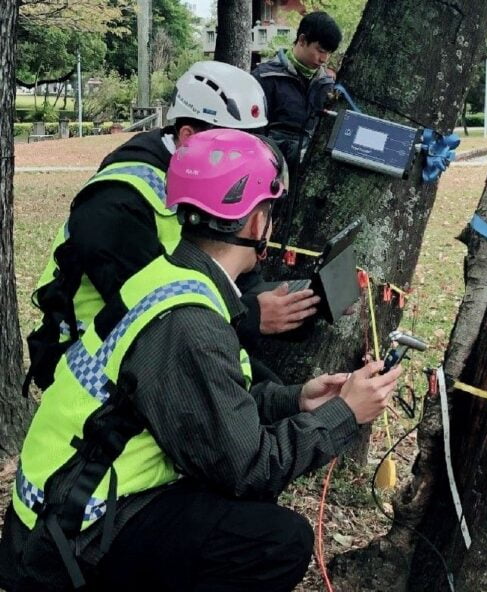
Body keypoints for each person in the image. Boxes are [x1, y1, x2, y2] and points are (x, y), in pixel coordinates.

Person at [0, 129, 403, 592]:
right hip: (69, 538)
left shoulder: (171, 277)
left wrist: (297, 401)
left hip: (55, 512)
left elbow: (213, 402)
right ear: (256, 224)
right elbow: (248, 469)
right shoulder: (188, 320)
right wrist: (343, 415)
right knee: (277, 543)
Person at [24, 60, 318, 396]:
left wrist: (300, 303)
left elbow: (231, 277)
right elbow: (151, 315)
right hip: (91, 360)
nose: (244, 157)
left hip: (161, 339)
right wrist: (250, 317)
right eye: (233, 143)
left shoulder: (205, 178)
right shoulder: (117, 203)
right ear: (187, 136)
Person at [253, 11, 342, 162]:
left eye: (329, 53)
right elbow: (252, 137)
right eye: (320, 51)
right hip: (271, 171)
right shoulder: (265, 77)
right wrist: (295, 153)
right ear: (302, 40)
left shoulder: (328, 86)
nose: (324, 59)